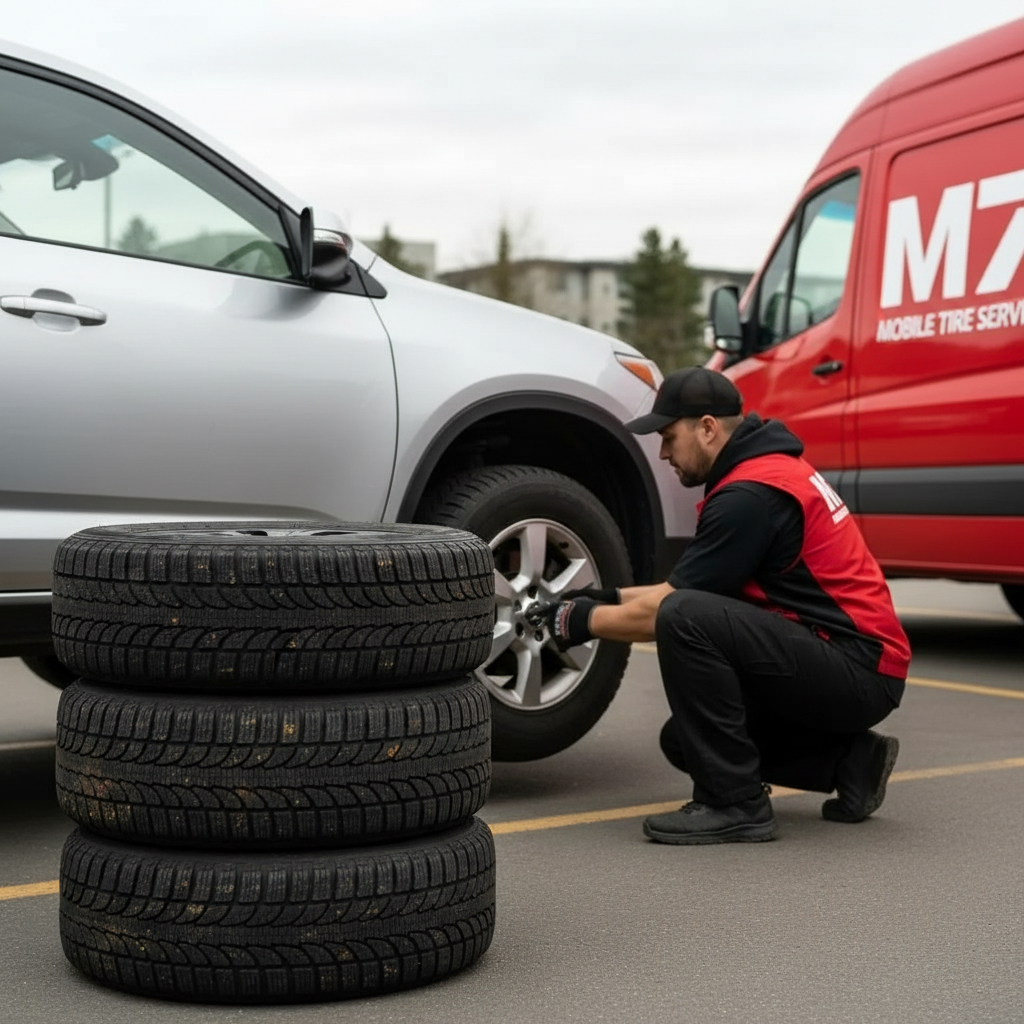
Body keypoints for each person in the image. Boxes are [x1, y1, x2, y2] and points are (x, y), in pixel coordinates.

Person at [527, 367, 909, 845]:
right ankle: (851, 764)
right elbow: (686, 586)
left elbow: (670, 610)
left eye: (669, 436)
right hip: (851, 660)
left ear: (707, 428)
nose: (664, 452)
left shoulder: (750, 495)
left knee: (684, 619)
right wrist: (603, 598)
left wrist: (581, 620)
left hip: (857, 667)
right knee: (686, 741)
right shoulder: (763, 472)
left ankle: (736, 803)